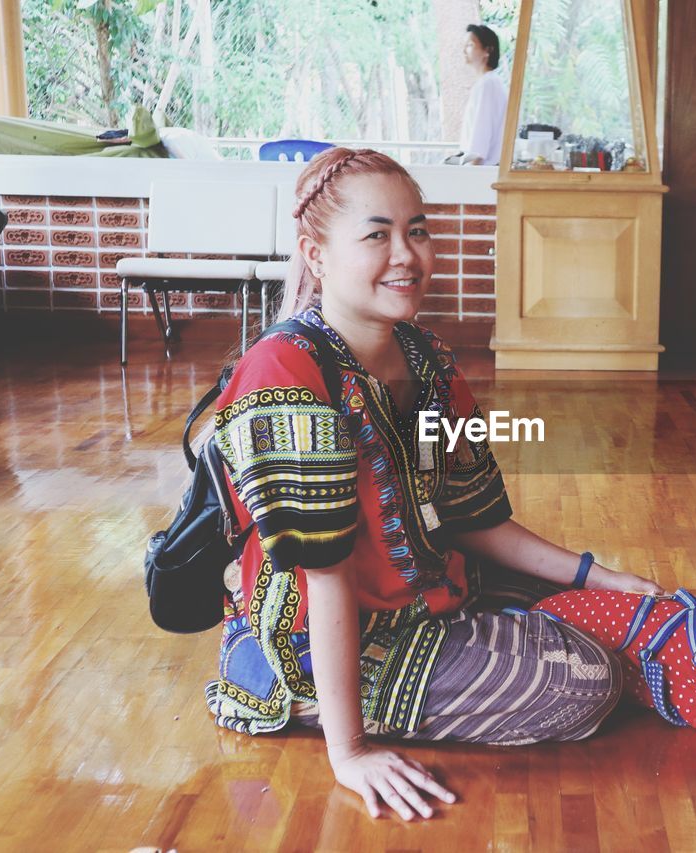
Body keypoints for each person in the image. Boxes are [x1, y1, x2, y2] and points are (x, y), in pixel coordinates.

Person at [205, 147, 662, 820]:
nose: (406, 253)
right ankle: (317, 707)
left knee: (629, 616)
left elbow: (470, 516)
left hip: (425, 595)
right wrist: (351, 751)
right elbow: (325, 574)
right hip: (313, 643)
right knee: (588, 680)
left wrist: (598, 577)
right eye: (377, 233)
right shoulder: (283, 373)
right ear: (316, 252)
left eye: (417, 229)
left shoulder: (429, 361)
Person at [445, 24, 508, 166]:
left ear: (488, 50)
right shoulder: (489, 82)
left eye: (470, 45)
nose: (464, 50)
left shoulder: (488, 84)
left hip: (481, 172)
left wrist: (469, 176)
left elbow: (481, 137)